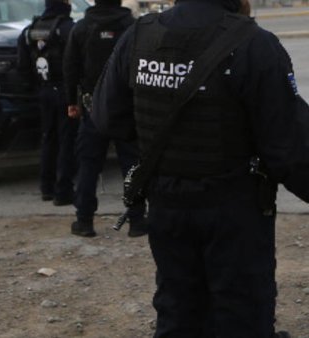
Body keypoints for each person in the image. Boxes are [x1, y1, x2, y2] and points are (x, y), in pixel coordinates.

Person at [91, 0, 309, 335]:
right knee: (242, 313)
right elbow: (288, 146)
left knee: (179, 309)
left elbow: (108, 117)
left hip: (166, 204)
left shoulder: (139, 36)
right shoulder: (254, 43)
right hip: (233, 209)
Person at [63, 0, 147, 237]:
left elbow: (70, 67)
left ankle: (85, 220)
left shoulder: (81, 28)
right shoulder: (132, 27)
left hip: (93, 106)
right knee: (132, 164)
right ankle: (138, 220)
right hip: (126, 105)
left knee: (89, 164)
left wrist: (71, 102)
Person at [17, 0, 77, 206]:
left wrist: (34, 88)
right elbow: (76, 63)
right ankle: (63, 191)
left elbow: (22, 66)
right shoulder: (69, 28)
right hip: (64, 91)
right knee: (66, 141)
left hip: (43, 91)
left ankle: (47, 187)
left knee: (49, 139)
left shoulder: (30, 30)